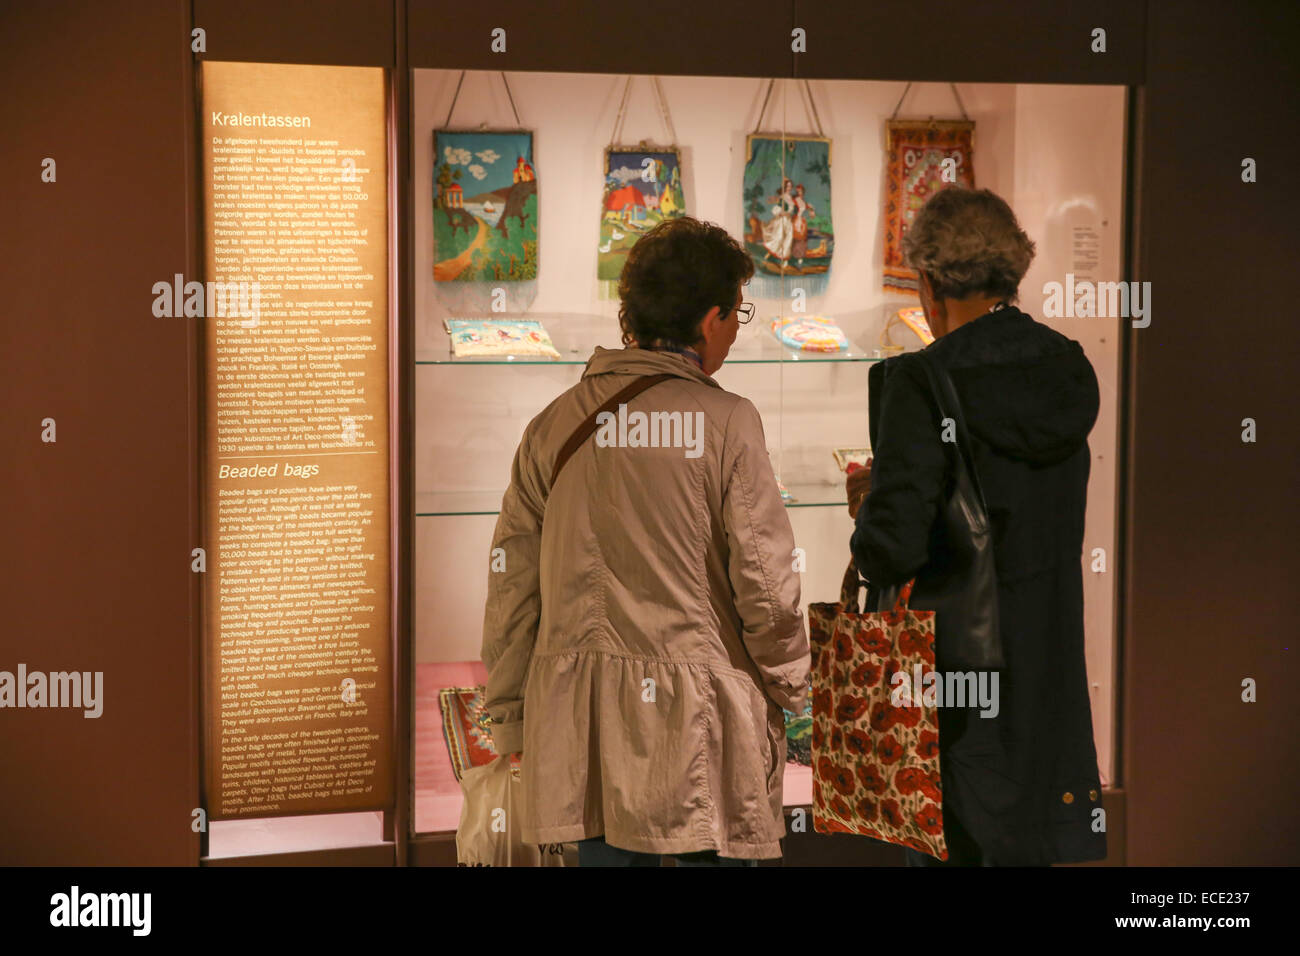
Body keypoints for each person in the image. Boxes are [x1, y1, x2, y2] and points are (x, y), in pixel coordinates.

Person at [481, 216, 810, 866]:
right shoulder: (727, 422)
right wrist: (794, 687)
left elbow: (512, 584)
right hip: (698, 727)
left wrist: (512, 715)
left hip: (582, 718)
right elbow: (767, 589)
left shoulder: (555, 424)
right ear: (711, 318)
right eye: (737, 314)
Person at [847, 187, 1107, 866]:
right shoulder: (1067, 367)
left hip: (951, 681)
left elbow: (892, 548)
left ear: (929, 284)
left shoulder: (924, 383)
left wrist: (872, 503)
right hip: (1048, 667)